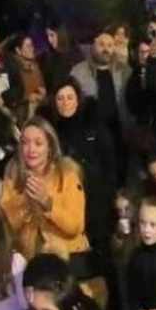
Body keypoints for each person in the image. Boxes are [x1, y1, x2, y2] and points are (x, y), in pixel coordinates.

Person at [0, 118, 92, 268]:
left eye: (38, 143)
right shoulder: (13, 176)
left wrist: (48, 204)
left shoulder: (67, 174)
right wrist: (25, 206)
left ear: (50, 147)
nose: (31, 149)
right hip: (30, 263)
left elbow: (76, 226)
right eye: (25, 143)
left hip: (68, 260)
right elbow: (3, 225)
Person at [51, 80, 125, 259]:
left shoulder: (94, 125)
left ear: (78, 100)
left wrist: (110, 195)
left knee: (104, 255)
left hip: (98, 201)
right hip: (70, 204)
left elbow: (110, 162)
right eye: (60, 98)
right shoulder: (52, 132)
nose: (65, 102)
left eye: (69, 97)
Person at [71, 25, 135, 148]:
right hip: (91, 137)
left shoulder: (126, 71)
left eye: (110, 45)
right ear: (93, 46)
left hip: (121, 136)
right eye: (101, 45)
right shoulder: (78, 72)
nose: (105, 49)